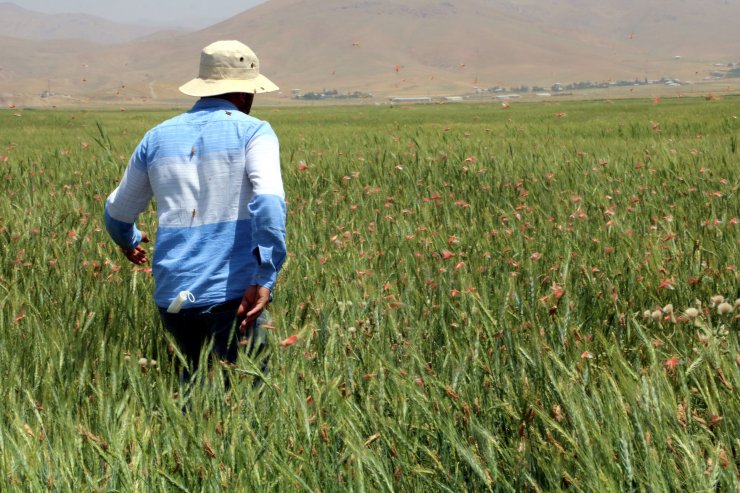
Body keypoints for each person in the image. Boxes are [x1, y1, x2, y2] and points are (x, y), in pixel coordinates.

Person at [104, 40, 287, 389]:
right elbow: (268, 203)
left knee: (192, 392)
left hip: (173, 298)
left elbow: (117, 213)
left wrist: (128, 241)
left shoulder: (156, 137)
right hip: (232, 295)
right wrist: (264, 276)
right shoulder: (254, 131)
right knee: (245, 404)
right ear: (246, 93)